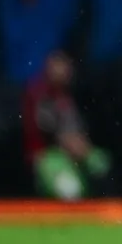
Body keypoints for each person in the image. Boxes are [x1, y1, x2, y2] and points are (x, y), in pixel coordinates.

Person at [22, 50, 112, 200]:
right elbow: (47, 132)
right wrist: (70, 144)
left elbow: (81, 128)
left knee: (101, 163)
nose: (64, 71)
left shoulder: (72, 96)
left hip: (77, 153)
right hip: (48, 156)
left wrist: (82, 145)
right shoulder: (39, 94)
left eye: (66, 67)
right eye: (58, 67)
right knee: (69, 191)